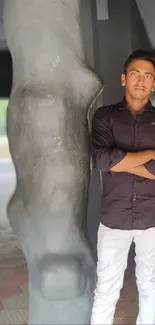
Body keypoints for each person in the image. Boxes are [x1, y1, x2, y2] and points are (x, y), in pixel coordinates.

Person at [91, 49, 155, 325]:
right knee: (106, 288)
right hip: (113, 219)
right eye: (135, 74)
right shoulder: (105, 116)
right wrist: (151, 154)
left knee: (151, 287)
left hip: (152, 219)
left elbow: (111, 160)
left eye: (148, 76)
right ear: (123, 78)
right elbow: (100, 159)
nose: (141, 81)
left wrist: (120, 161)